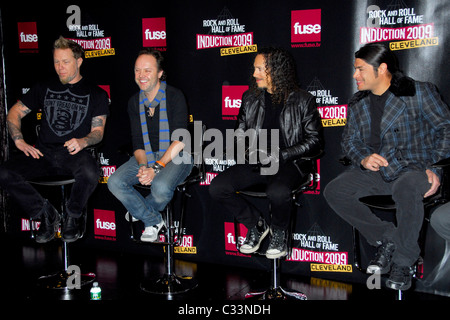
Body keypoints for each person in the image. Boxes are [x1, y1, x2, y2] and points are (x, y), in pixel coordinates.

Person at [324, 43, 450, 290]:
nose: (355, 75)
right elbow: (349, 140)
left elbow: (446, 128)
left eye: (360, 69)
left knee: (405, 189)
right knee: (334, 191)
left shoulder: (419, 92)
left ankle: (404, 261)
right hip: (378, 173)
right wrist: (362, 158)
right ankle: (388, 238)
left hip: (415, 169)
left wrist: (435, 168)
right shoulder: (358, 103)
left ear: (381, 68)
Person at [209, 47, 323, 259]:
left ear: (277, 70)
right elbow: (239, 133)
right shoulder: (250, 98)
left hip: (291, 163)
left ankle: (279, 232)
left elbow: (315, 143)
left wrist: (282, 155)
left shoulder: (302, 100)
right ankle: (257, 225)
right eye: (255, 69)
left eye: (260, 69)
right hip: (258, 161)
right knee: (217, 187)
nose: (254, 74)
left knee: (277, 191)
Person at [0, 37, 109, 243]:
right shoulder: (44, 87)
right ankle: (45, 213)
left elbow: (98, 132)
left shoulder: (96, 94)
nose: (60, 68)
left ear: (79, 61)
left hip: (73, 154)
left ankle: (73, 216)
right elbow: (14, 112)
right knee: (5, 172)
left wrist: (83, 141)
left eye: (66, 62)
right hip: (43, 153)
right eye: (56, 62)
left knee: (90, 171)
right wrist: (18, 140)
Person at [107, 48, 192, 242]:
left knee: (161, 187)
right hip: (147, 155)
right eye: (137, 70)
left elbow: (180, 140)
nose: (141, 75)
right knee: (114, 182)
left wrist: (156, 168)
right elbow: (137, 142)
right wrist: (144, 166)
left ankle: (142, 209)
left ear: (160, 73)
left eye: (147, 70)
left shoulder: (174, 96)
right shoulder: (133, 102)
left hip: (177, 155)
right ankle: (151, 219)